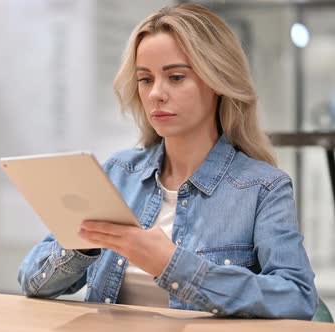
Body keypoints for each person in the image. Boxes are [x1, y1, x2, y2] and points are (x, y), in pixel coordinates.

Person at [17, 3, 318, 319]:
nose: (156, 94)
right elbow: (32, 281)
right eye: (145, 79)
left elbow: (297, 298)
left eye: (175, 77)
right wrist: (83, 245)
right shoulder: (119, 173)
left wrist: (172, 265)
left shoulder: (263, 187)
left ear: (218, 81)